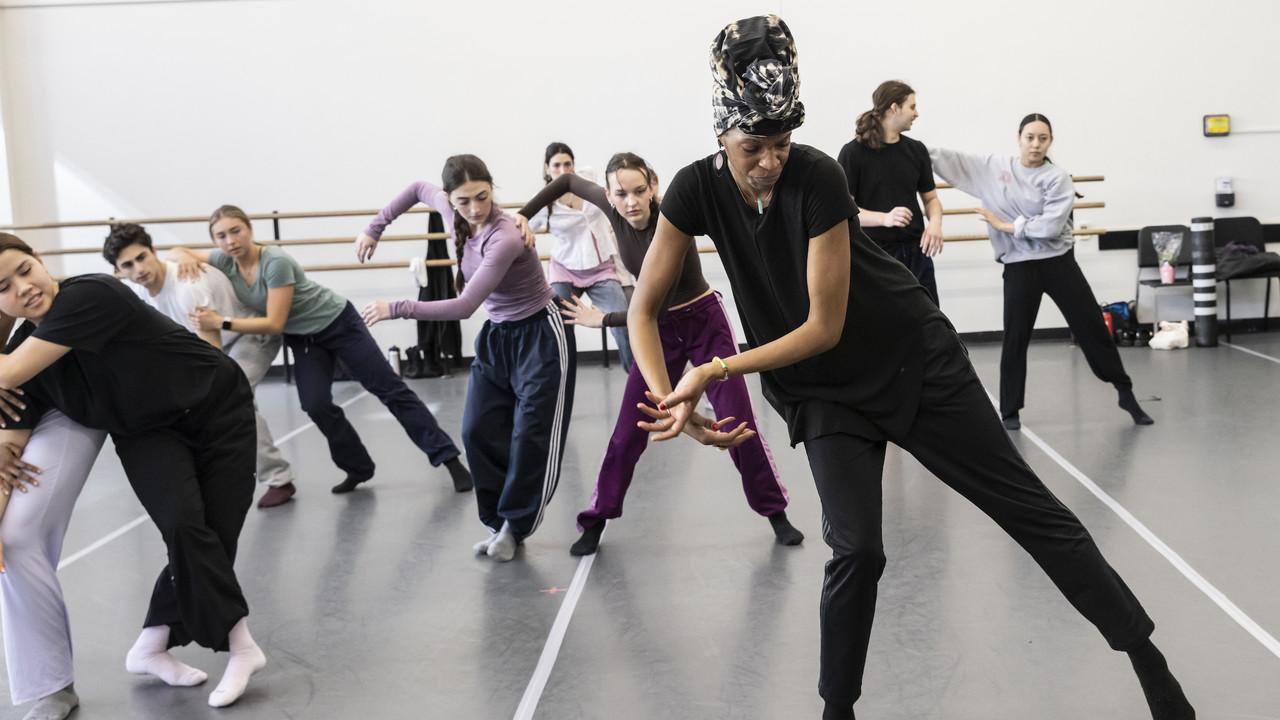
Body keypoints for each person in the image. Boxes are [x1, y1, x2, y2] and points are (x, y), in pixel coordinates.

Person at [627, 16, 1194, 720]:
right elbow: (643, 309)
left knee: (1029, 510)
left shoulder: (819, 176)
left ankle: (1148, 660)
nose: (769, 160)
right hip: (822, 393)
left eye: (780, 143)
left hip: (910, 360)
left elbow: (822, 325)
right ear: (721, 134)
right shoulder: (691, 191)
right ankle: (838, 711)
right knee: (856, 550)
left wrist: (715, 372)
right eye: (753, 147)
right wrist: (668, 399)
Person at [0, 233, 267, 709]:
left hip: (215, 408)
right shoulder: (26, 353)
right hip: (147, 433)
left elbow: (8, 373)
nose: (23, 288)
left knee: (215, 532)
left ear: (40, 261)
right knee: (184, 527)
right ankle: (242, 647)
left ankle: (152, 642)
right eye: (3, 287)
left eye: (24, 270)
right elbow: (10, 449)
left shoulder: (90, 295)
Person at [516, 151, 802, 556]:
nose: (631, 201)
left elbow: (651, 298)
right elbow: (564, 183)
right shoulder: (611, 209)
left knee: (736, 420)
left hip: (703, 321)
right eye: (621, 193)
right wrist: (524, 215)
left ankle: (775, 513)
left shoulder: (674, 217)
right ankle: (596, 519)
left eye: (639, 191)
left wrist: (604, 319)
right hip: (657, 330)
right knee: (627, 432)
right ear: (610, 195)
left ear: (652, 187)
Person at [358, 155, 575, 563]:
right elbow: (416, 188)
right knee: (476, 429)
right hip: (497, 336)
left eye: (482, 197)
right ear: (451, 199)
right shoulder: (448, 210)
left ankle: (515, 525)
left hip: (539, 335)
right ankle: (496, 523)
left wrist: (398, 307)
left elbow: (465, 305)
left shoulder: (506, 235)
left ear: (492, 189)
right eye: (464, 201)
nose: (475, 208)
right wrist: (375, 228)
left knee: (531, 435)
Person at [171, 206, 472, 494]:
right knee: (315, 405)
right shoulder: (224, 260)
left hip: (338, 323)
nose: (230, 241)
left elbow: (275, 323)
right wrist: (183, 255)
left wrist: (219, 322)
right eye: (221, 236)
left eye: (236, 231)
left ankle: (448, 459)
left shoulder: (274, 261)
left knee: (389, 389)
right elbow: (174, 254)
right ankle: (358, 467)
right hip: (303, 339)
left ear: (248, 229)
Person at [930, 114, 1154, 429]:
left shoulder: (1057, 178)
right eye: (1030, 137)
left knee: (1090, 325)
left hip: (1057, 261)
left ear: (1050, 141)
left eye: (1043, 138)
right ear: (1019, 137)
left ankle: (1125, 392)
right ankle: (1010, 410)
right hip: (1018, 265)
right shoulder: (995, 168)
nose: (1036, 144)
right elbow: (949, 160)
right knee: (1016, 336)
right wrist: (903, 146)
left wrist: (1005, 225)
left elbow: (1050, 227)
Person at [104, 222, 298, 508]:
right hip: (204, 348)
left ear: (153, 251)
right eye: (128, 265)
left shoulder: (188, 287)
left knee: (232, 397)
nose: (139, 269)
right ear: (119, 271)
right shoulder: (142, 291)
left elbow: (212, 358)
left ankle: (278, 478)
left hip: (248, 336)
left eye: (142, 257)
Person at [0, 409, 105, 720]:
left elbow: (16, 368)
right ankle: (51, 685)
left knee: (16, 536)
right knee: (14, 541)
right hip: (18, 400)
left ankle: (54, 687)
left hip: (71, 395)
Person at [837, 80, 944, 305]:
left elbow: (931, 198)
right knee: (883, 323)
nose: (916, 113)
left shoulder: (916, 150)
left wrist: (935, 224)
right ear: (894, 108)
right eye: (912, 107)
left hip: (917, 252)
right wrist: (885, 218)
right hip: (875, 254)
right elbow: (846, 211)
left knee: (930, 320)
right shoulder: (853, 153)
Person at [529, 142, 634, 370]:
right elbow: (523, 227)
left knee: (624, 324)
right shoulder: (544, 203)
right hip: (564, 271)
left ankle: (637, 379)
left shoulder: (588, 179)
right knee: (559, 328)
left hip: (601, 268)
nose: (563, 170)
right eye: (556, 165)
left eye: (567, 164)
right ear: (547, 168)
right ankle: (559, 378)